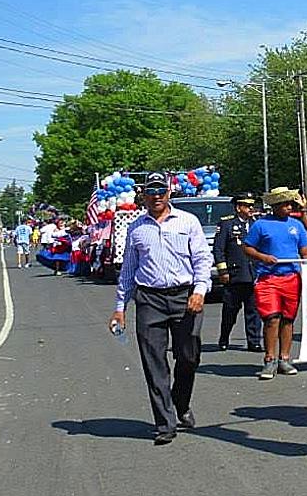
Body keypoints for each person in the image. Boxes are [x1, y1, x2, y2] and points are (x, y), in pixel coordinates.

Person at [107, 172, 212, 445]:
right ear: (143, 195)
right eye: (151, 191)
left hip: (184, 297)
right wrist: (120, 307)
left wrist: (200, 291)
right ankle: (165, 423)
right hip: (149, 300)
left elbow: (202, 259)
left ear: (169, 193)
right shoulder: (136, 228)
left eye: (160, 190)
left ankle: (181, 401)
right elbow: (129, 270)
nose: (156, 196)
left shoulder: (188, 222)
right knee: (154, 364)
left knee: (188, 356)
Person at [242, 187, 307, 379]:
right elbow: (247, 248)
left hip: (291, 277)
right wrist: (262, 257)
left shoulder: (297, 225)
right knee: (272, 319)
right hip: (268, 278)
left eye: (291, 204)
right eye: (285, 204)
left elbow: (305, 251)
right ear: (275, 206)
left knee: (288, 319)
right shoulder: (261, 225)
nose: (289, 207)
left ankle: (285, 358)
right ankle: (269, 359)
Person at [213, 193, 263, 353]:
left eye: (252, 206)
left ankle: (254, 341)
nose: (251, 209)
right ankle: (224, 337)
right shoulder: (227, 224)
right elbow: (219, 249)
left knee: (253, 310)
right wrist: (223, 270)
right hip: (235, 274)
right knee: (230, 310)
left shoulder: (256, 224)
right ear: (238, 207)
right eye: (247, 206)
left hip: (253, 274)